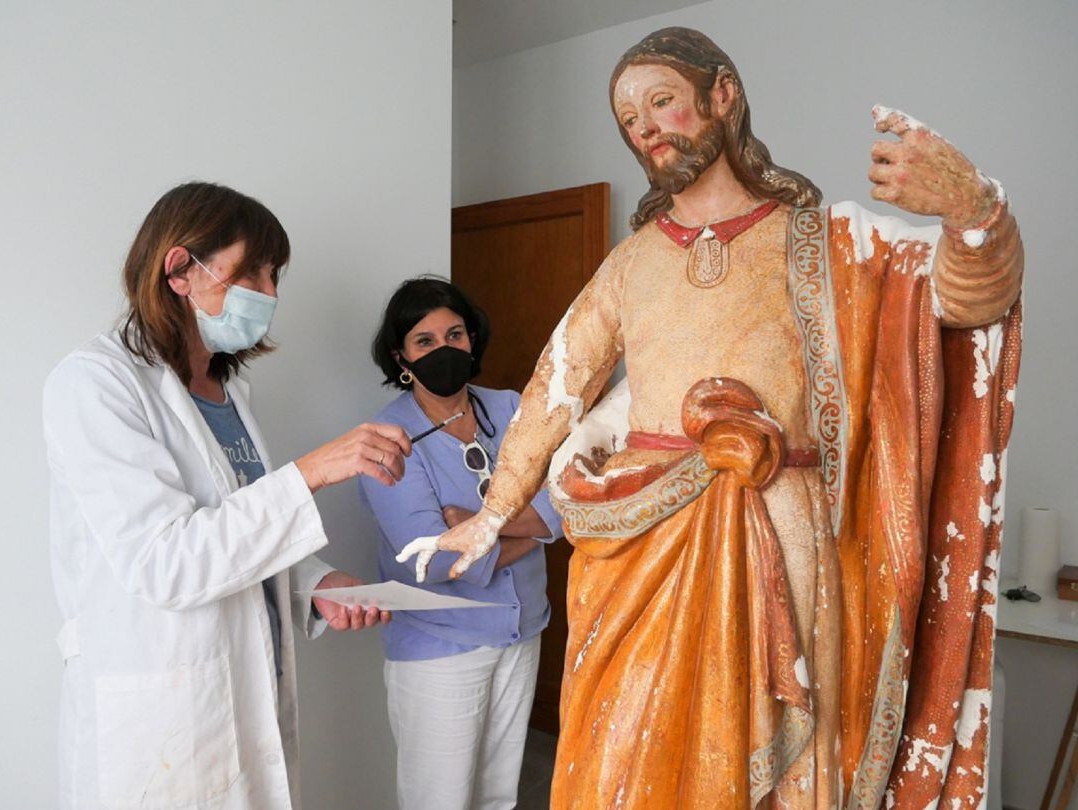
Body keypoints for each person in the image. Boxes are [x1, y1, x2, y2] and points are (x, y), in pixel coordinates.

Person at [398, 27, 1023, 808]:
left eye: (661, 101)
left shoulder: (826, 242)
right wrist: (493, 513)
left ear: (721, 95)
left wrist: (974, 211)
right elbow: (557, 383)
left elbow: (970, 300)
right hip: (640, 545)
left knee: (775, 769)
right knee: (625, 755)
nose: (647, 128)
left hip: (782, 537)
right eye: (630, 120)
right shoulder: (630, 263)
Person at [43, 182, 412, 809]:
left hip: (245, 689)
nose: (270, 294)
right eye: (254, 273)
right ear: (181, 270)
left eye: (275, 276)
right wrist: (312, 471)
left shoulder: (228, 396)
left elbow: (236, 534)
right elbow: (165, 562)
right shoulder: (95, 383)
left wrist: (315, 585)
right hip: (163, 712)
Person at [360, 277, 563, 810]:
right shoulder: (385, 440)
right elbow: (442, 560)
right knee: (440, 801)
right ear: (400, 356)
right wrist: (533, 522)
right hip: (440, 649)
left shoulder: (513, 407)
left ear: (473, 340)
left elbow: (568, 501)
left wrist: (481, 521)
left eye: (455, 334)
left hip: (521, 633)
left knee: (498, 796)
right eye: (424, 341)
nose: (444, 348)